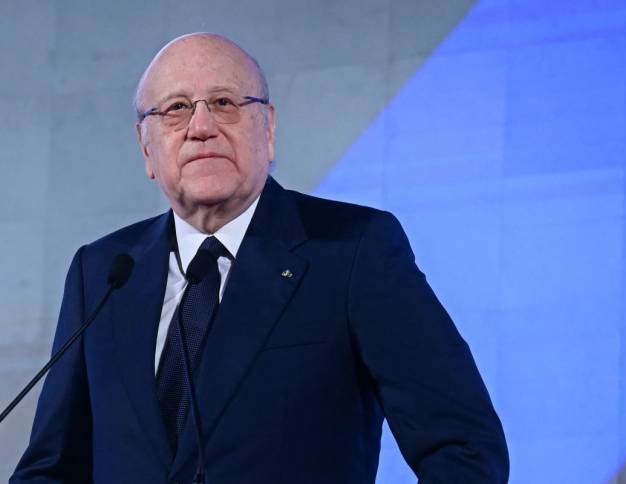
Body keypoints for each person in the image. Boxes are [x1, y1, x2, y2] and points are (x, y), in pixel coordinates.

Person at [11, 33, 509, 483]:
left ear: (267, 130)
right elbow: (51, 469)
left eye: (224, 102)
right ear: (146, 148)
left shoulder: (355, 251)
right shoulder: (103, 272)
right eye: (176, 108)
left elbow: (464, 450)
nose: (201, 127)